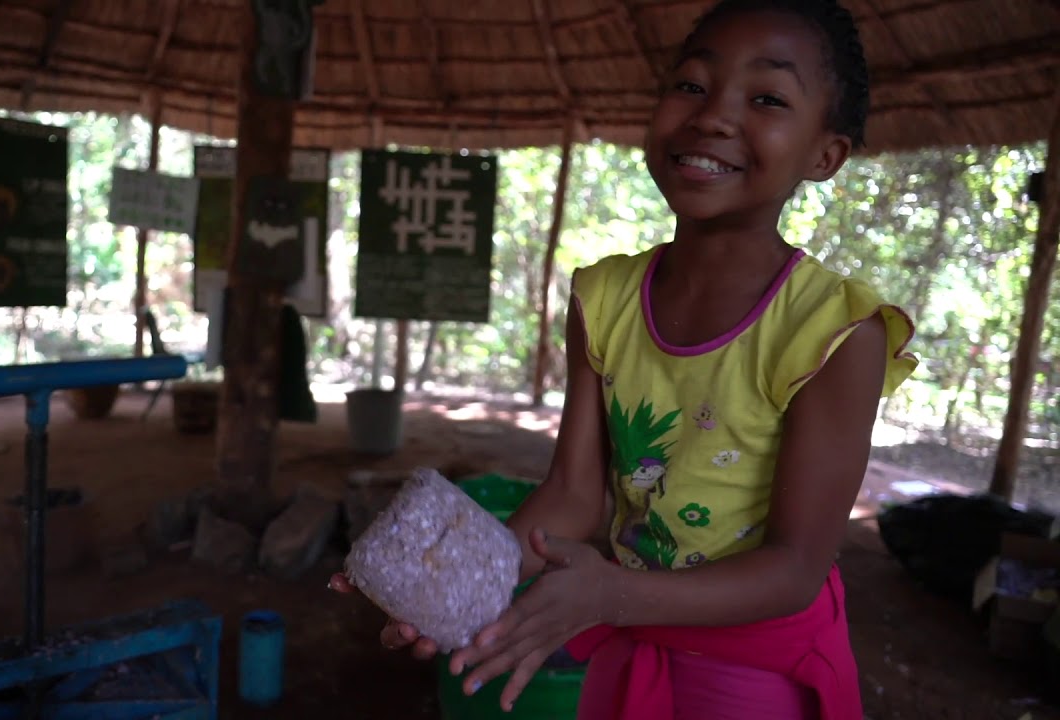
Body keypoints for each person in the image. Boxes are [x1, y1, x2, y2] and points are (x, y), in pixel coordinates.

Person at [332, 0, 919, 717]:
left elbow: (795, 570)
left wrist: (613, 592)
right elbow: (576, 496)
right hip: (629, 642)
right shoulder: (604, 298)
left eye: (765, 98)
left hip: (755, 669)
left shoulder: (834, 333)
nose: (712, 117)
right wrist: (454, 577)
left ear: (824, 155)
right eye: (691, 86)